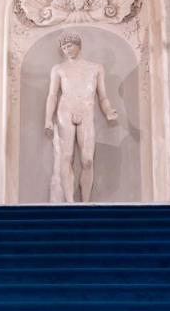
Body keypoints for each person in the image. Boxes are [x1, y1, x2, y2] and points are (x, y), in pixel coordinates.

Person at [44, 32, 118, 202]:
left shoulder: (96, 68)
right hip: (65, 111)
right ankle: (70, 201)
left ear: (78, 45)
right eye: (64, 48)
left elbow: (102, 96)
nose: (67, 50)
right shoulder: (58, 69)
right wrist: (48, 119)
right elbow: (52, 95)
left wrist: (108, 111)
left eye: (69, 46)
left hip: (86, 112)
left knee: (88, 160)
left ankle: (85, 202)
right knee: (66, 157)